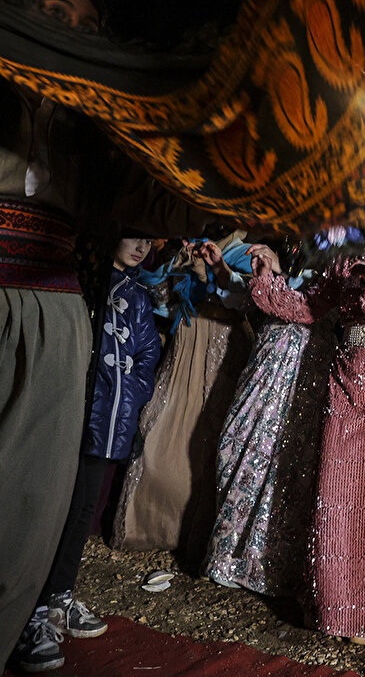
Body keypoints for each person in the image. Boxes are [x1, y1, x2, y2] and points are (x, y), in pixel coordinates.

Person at [0, 0, 205, 665]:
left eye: (85, 30)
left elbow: (161, 201)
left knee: (31, 501)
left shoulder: (96, 135)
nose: (67, 31)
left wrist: (240, 190)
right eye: (54, 13)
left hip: (55, 310)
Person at [250, 225, 365, 644]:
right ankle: (337, 607)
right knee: (338, 489)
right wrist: (270, 276)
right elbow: (309, 308)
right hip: (346, 375)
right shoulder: (343, 255)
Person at [10, 235, 161, 672]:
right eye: (133, 235)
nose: (140, 246)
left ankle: (57, 597)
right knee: (46, 509)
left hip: (109, 422)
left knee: (80, 512)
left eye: (147, 240)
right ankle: (29, 612)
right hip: (66, 417)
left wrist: (128, 394)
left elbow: (147, 353)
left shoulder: (135, 295)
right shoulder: (80, 284)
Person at [204, 243, 336, 597]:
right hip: (268, 356)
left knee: (284, 460)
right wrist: (221, 271)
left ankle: (268, 567)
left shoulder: (341, 252)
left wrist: (276, 275)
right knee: (239, 442)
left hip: (302, 363)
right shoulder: (295, 239)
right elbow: (252, 294)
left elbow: (308, 306)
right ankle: (228, 556)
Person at [112, 234, 253, 568]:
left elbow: (250, 299)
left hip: (225, 343)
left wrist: (214, 277)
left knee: (210, 436)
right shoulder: (183, 248)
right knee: (162, 429)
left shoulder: (248, 252)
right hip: (188, 338)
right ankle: (150, 524)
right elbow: (161, 298)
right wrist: (174, 264)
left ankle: (198, 535)